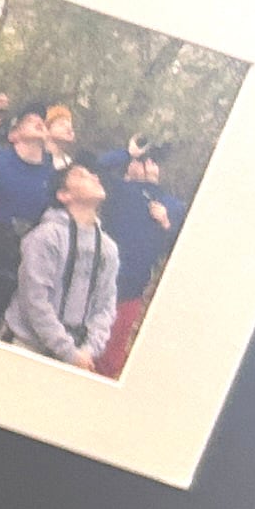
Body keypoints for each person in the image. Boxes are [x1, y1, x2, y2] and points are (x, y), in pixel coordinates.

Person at [0, 96, 77, 333]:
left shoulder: (55, 176)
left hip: (18, 271)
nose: (39, 122)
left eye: (42, 121)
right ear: (14, 134)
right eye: (31, 120)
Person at [0, 160, 123, 368]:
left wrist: (88, 350)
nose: (95, 177)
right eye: (81, 175)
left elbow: (106, 306)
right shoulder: (45, 237)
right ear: (64, 195)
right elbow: (35, 300)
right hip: (27, 348)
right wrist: (68, 352)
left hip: (76, 357)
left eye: (93, 175)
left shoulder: (108, 248)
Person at [98, 133, 184, 376]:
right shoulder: (119, 192)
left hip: (132, 291)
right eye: (143, 160)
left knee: (111, 356)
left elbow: (178, 246)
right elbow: (95, 168)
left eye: (152, 160)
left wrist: (166, 223)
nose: (147, 164)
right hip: (100, 283)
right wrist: (128, 154)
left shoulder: (172, 205)